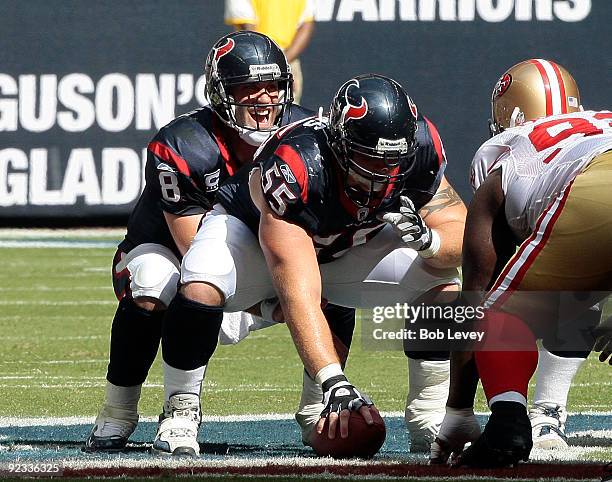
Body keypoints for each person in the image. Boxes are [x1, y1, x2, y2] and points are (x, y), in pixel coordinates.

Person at [153, 74, 467, 457]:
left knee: (441, 281)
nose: (381, 170)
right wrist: (334, 380)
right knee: (202, 281)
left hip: (344, 245)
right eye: (368, 156)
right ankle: (180, 409)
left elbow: (458, 229)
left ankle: (428, 414)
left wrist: (430, 241)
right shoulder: (299, 166)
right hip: (251, 238)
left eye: (392, 160)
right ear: (338, 144)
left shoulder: (419, 149)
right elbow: (299, 289)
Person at [84, 30, 312, 452]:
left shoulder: (304, 133)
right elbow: (194, 250)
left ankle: (319, 409)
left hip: (256, 257)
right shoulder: (184, 143)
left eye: (272, 87)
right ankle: (120, 410)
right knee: (155, 283)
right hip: (165, 250)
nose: (263, 101)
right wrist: (265, 302)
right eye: (248, 88)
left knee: (329, 275)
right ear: (221, 93)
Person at [431, 60, 612, 467]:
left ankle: (509, 420)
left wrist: (459, 409)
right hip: (597, 169)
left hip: (588, 189)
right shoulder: (602, 121)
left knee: (499, 313)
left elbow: (475, 301)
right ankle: (543, 415)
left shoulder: (506, 151)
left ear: (512, 113)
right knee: (576, 293)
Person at [225, 0, 315, 104]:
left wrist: (282, 64)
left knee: (288, 114)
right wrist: (280, 65)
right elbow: (249, 31)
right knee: (254, 110)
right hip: (254, 62)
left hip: (284, 62)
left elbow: (307, 24)